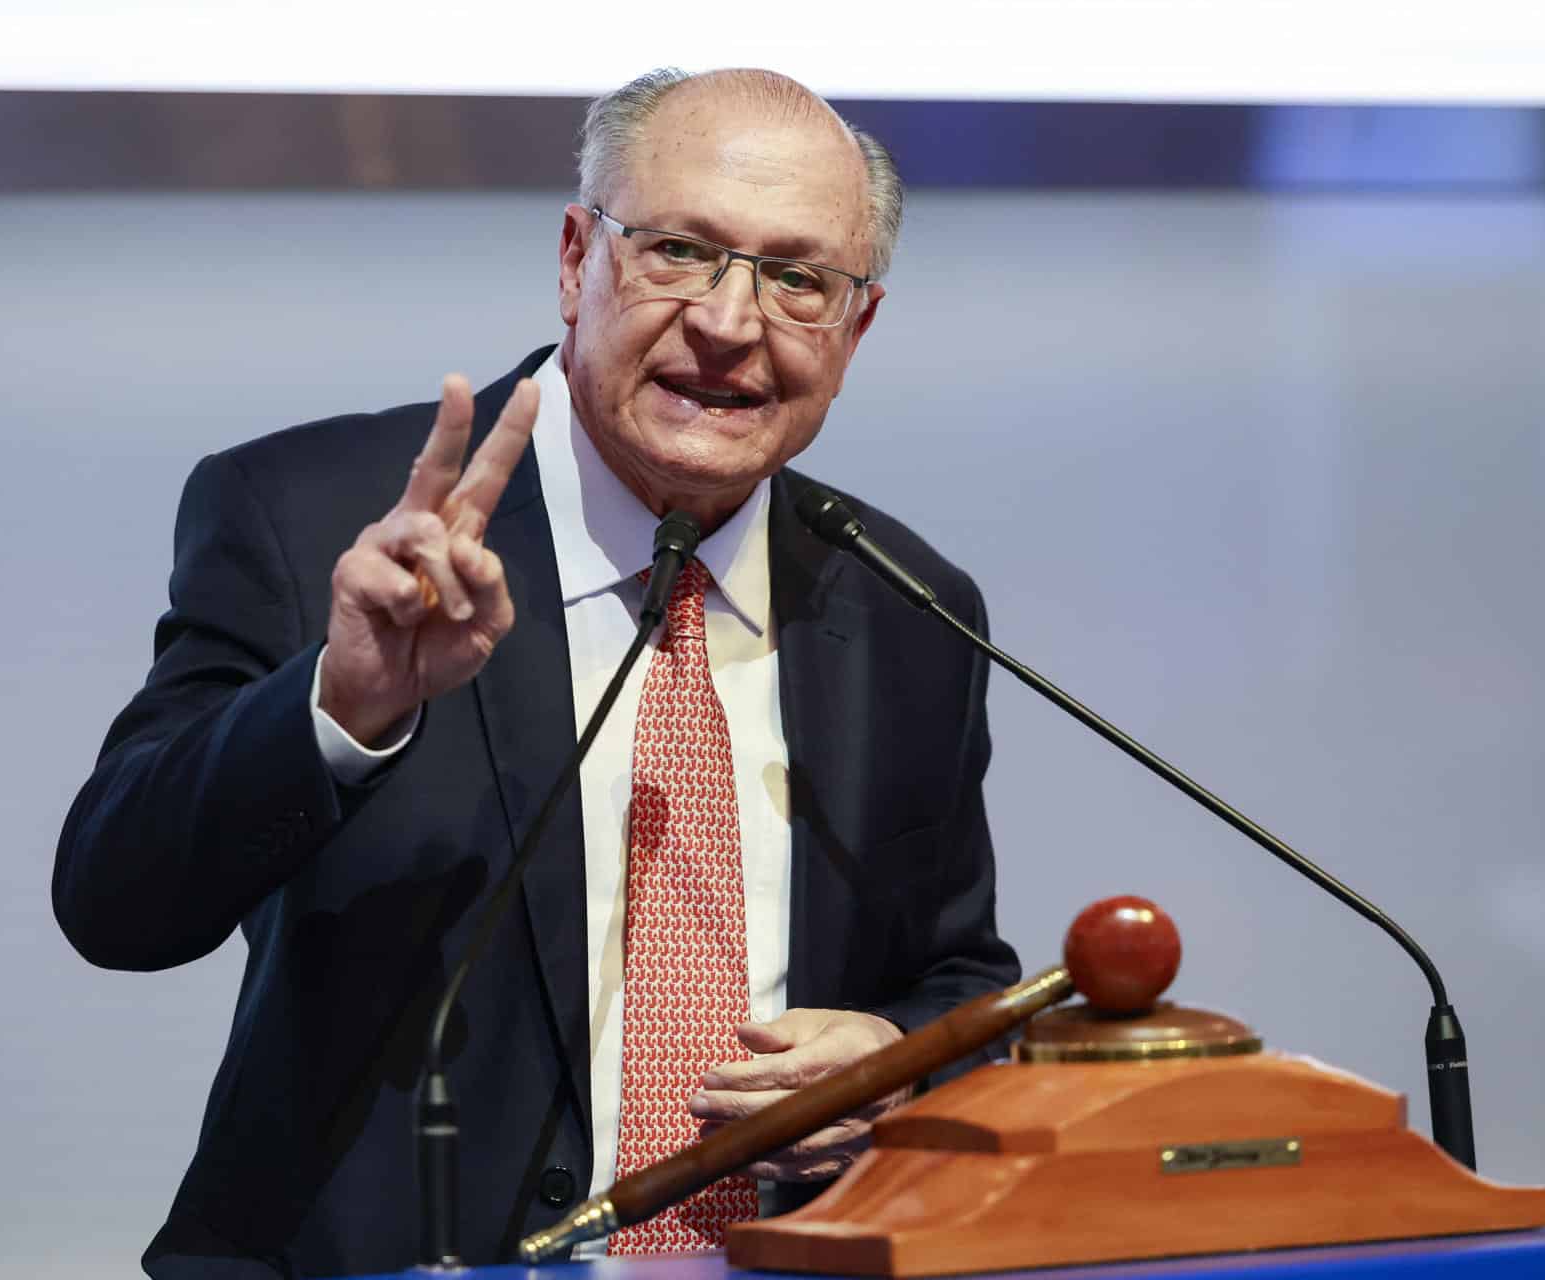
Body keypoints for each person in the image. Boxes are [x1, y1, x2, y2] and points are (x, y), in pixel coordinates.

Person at [54, 67, 1019, 1277]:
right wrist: (342, 705)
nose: (731, 323)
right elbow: (115, 903)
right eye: (680, 251)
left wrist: (894, 1061)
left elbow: (960, 978)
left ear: (855, 328)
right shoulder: (311, 520)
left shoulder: (907, 607)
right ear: (576, 259)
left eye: (797, 279)